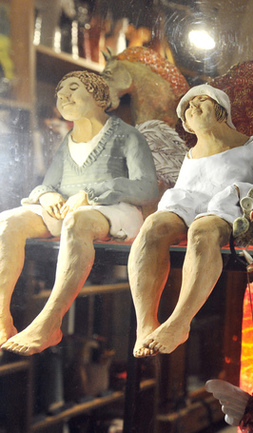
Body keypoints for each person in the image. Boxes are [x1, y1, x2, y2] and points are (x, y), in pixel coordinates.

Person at [0, 71, 158, 355]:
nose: (63, 95)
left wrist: (92, 194)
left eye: (73, 88)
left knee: (77, 220)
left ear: (99, 97)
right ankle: (2, 317)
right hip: (69, 209)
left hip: (116, 211)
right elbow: (50, 183)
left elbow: (147, 189)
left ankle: (51, 321)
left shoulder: (127, 136)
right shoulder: (68, 142)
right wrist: (47, 195)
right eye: (60, 91)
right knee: (8, 221)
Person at [128, 84, 253, 357]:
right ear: (186, 123)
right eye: (187, 106)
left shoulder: (251, 147)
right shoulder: (191, 155)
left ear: (221, 109)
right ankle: (145, 323)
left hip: (227, 212)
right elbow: (185, 194)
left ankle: (179, 322)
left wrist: (237, 191)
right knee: (152, 227)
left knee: (202, 230)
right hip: (189, 208)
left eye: (201, 100)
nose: (193, 107)